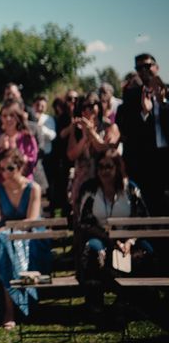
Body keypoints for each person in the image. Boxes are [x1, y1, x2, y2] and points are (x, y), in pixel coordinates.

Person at [0, 148, 51, 330]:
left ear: (20, 166)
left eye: (10, 168)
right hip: (8, 240)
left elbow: (30, 221)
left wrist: (3, 230)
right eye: (2, 169)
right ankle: (6, 308)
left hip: (33, 240)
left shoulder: (33, 188)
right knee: (4, 242)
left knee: (2, 240)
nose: (5, 173)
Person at [77, 149, 153, 312]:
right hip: (100, 237)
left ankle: (134, 299)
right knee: (93, 249)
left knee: (146, 251)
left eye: (109, 167)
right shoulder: (89, 190)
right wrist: (111, 240)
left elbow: (143, 220)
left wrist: (129, 241)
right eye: (101, 167)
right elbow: (84, 223)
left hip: (129, 239)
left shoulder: (131, 189)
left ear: (117, 168)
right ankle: (95, 302)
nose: (104, 171)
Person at [116, 54, 169, 216]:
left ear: (157, 67)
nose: (144, 71)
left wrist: (163, 103)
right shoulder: (132, 96)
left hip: (166, 156)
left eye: (148, 66)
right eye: (139, 68)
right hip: (145, 159)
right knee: (148, 205)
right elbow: (127, 131)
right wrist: (144, 114)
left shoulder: (167, 91)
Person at [67, 92, 120, 213]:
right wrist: (84, 137)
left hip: (105, 180)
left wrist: (91, 132)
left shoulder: (109, 126)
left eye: (90, 106)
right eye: (83, 107)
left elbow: (105, 148)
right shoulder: (77, 129)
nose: (87, 110)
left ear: (98, 107)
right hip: (82, 181)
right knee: (81, 219)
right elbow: (71, 155)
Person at [0, 99, 38, 184]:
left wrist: (12, 152)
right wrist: (1, 151)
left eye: (12, 115)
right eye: (4, 115)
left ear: (18, 117)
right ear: (1, 118)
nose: (8, 119)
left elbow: (32, 164)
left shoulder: (27, 137)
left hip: (24, 185)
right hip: (3, 186)